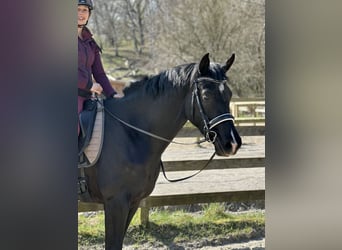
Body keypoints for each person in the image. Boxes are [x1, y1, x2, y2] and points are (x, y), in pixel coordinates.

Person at [78, 0, 120, 135]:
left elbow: (99, 74)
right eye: (77, 9)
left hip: (88, 97)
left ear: (89, 14)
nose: (81, 13)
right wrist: (89, 85)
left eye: (85, 10)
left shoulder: (90, 43)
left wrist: (112, 95)